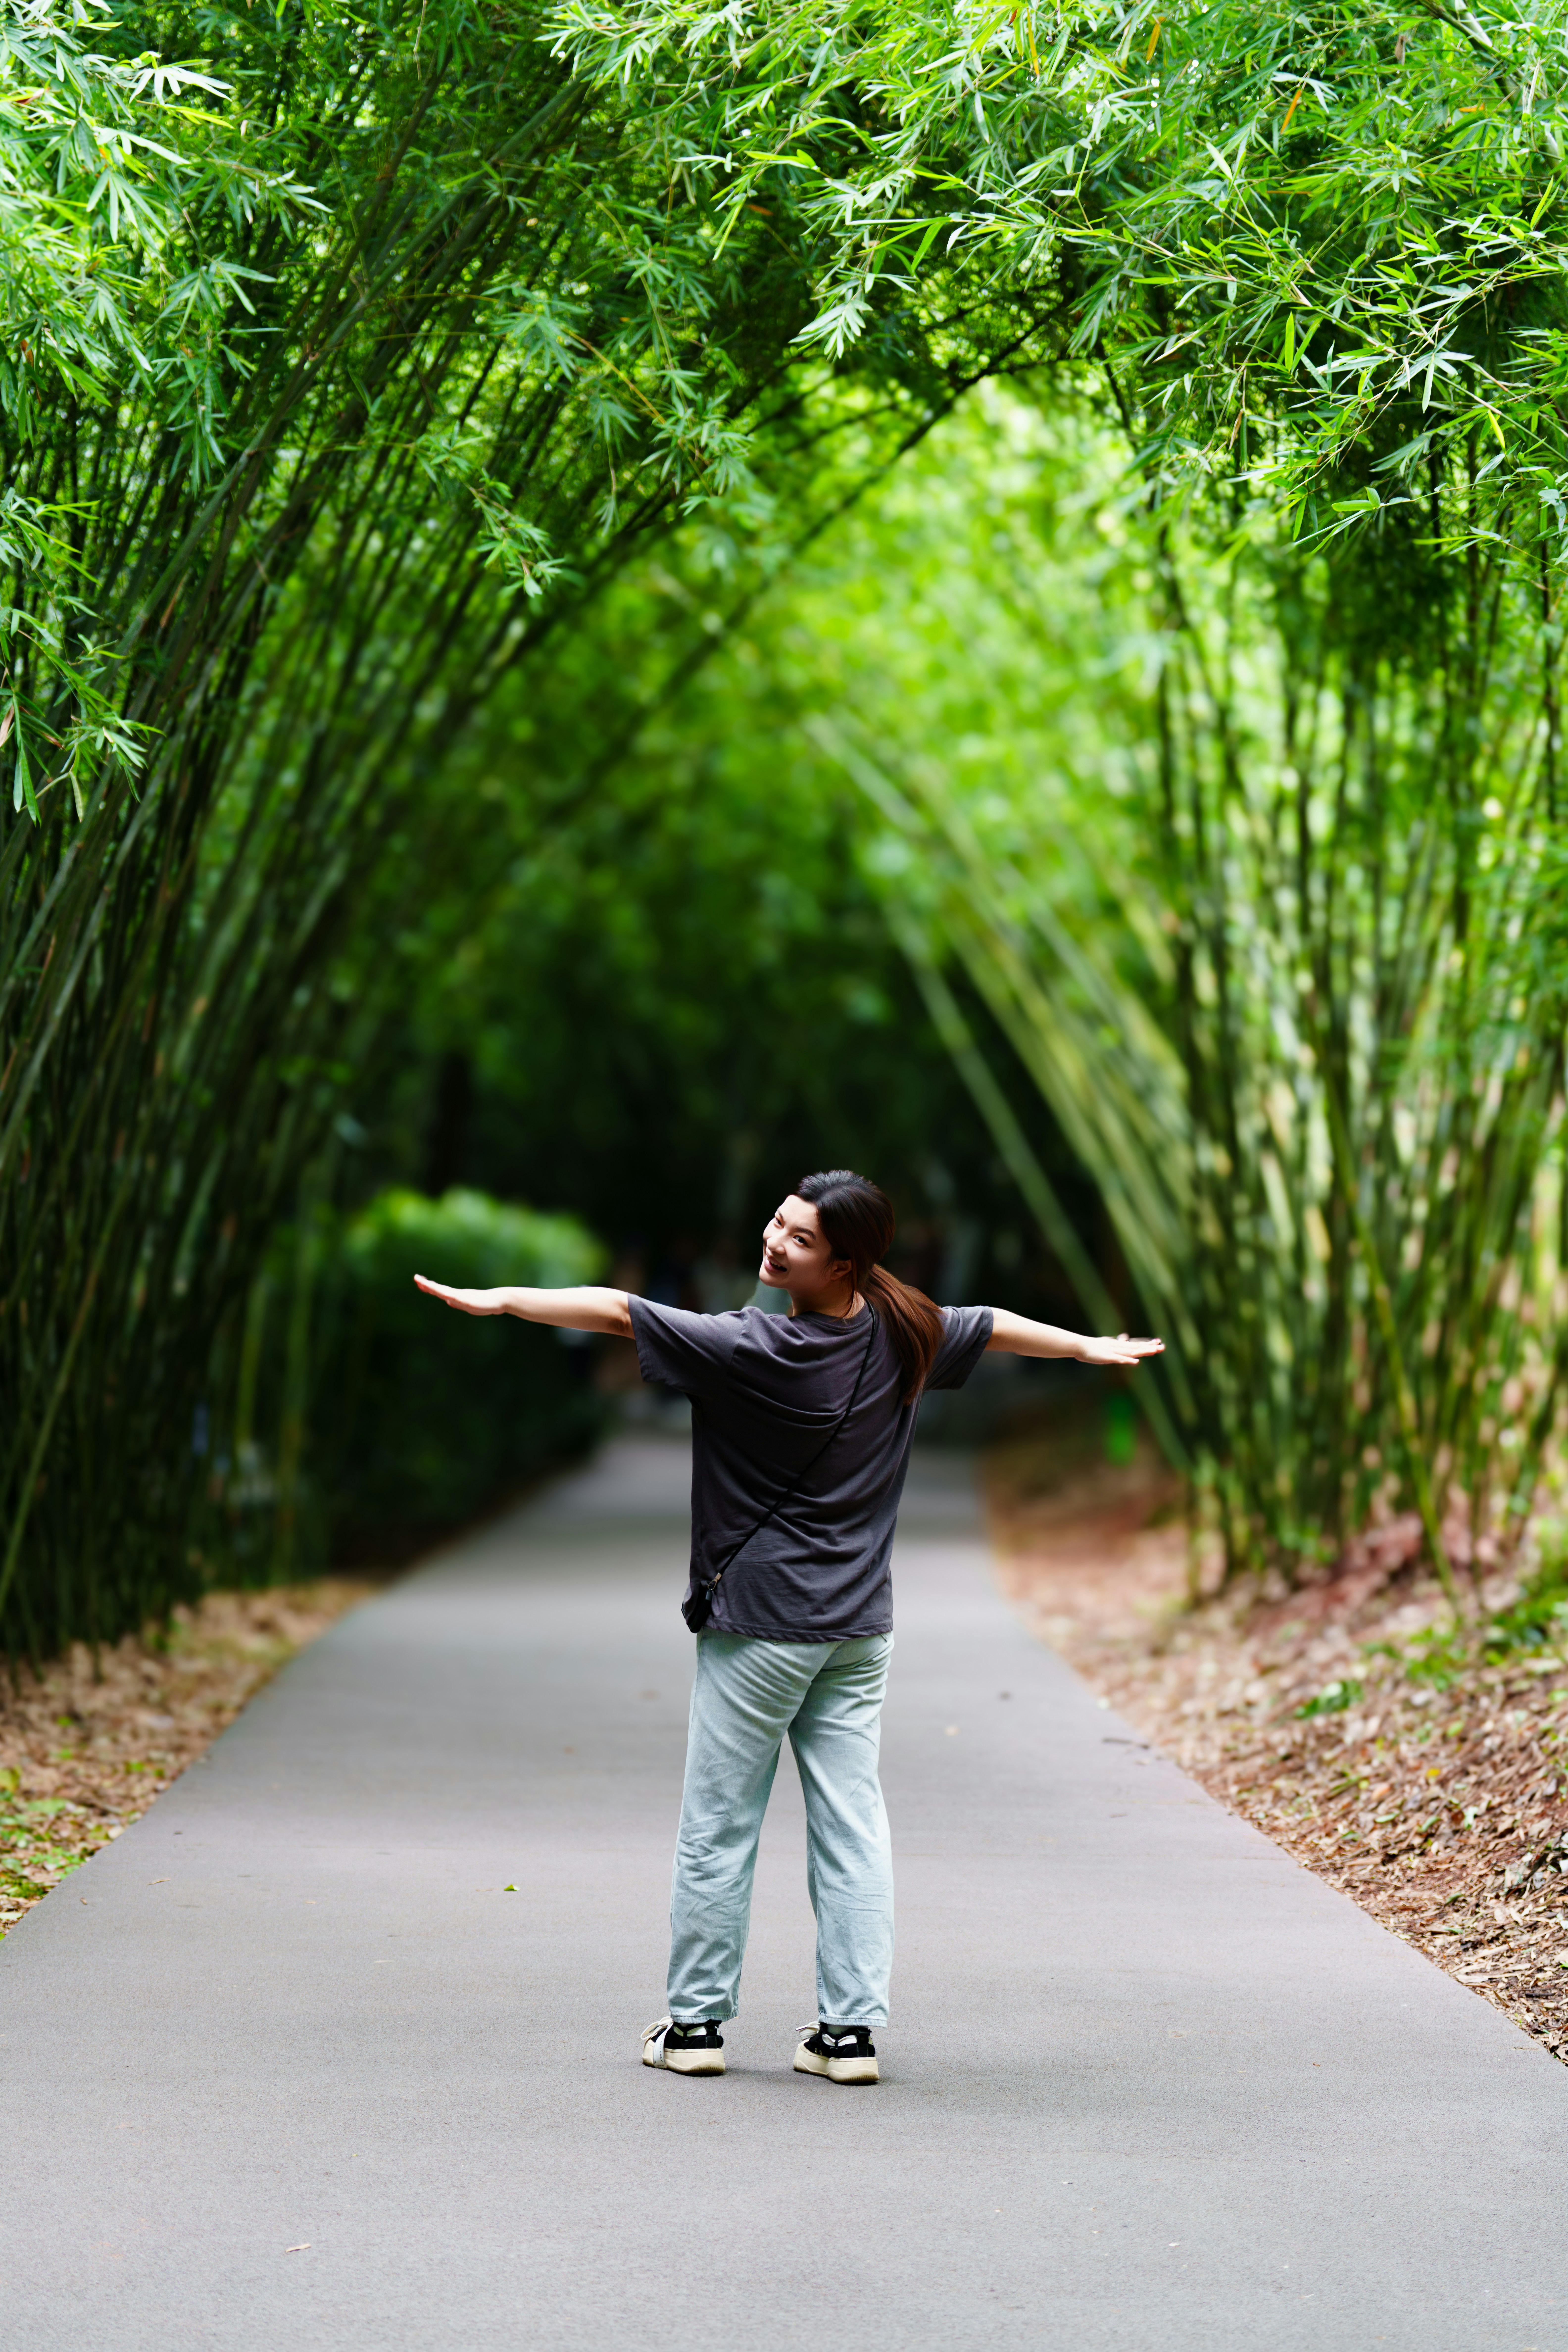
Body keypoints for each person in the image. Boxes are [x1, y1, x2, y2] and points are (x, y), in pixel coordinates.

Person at [415, 1170, 1162, 2086]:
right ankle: (848, 2037)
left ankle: (695, 2027)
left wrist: (501, 1303)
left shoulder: (751, 1347)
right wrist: (1086, 1349)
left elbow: (617, 1313)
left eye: (798, 1238)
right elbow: (994, 1321)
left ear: (842, 1261)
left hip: (762, 1625)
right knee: (853, 1825)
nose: (774, 1240)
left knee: (719, 1824)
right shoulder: (906, 1329)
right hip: (857, 1629)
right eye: (778, 1220)